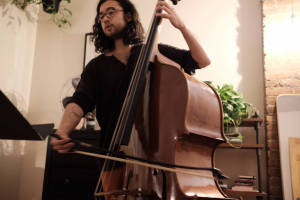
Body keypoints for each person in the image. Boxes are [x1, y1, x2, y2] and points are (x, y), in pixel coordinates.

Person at [51, 0, 211, 157]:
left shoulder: (155, 53)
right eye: (101, 16)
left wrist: (182, 26)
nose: (105, 18)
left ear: (128, 16)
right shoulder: (95, 66)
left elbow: (202, 60)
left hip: (155, 155)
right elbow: (80, 101)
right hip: (113, 157)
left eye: (111, 12)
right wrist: (62, 131)